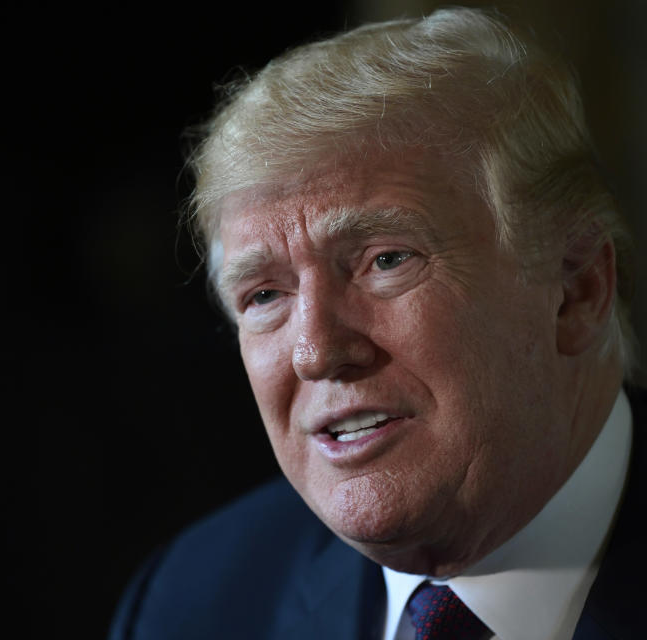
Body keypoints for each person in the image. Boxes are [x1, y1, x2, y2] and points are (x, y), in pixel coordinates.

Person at [110, 7, 643, 640]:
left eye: (385, 261)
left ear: (576, 289)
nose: (315, 350)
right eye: (264, 296)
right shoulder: (194, 601)